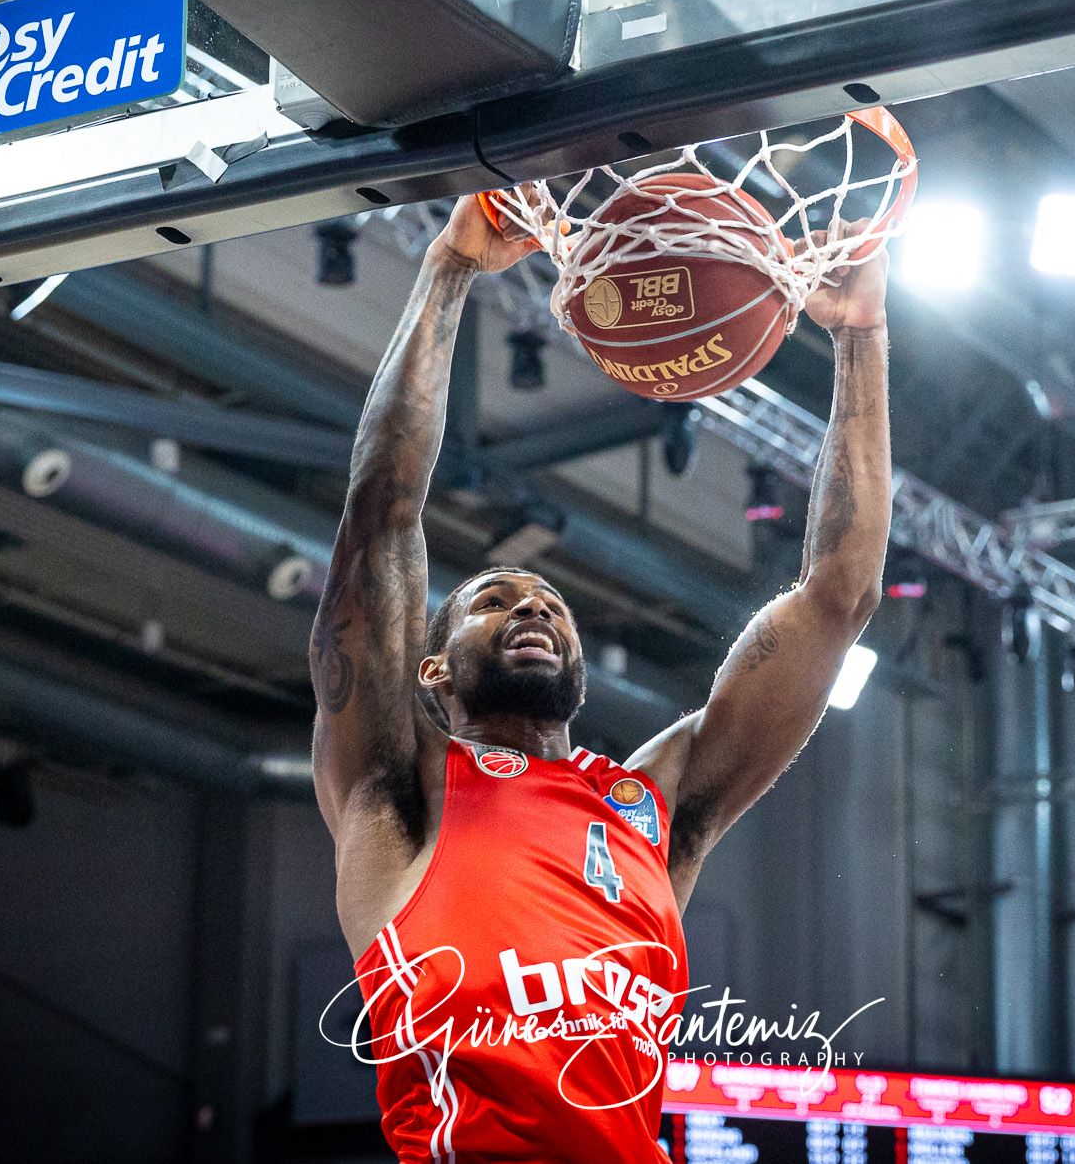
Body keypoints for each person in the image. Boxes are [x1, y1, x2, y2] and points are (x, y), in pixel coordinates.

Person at [310, 196, 891, 1163]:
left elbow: (840, 594)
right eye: (495, 599)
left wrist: (861, 337)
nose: (533, 607)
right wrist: (450, 267)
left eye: (551, 604)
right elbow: (382, 513)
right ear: (432, 667)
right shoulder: (397, 787)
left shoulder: (651, 809)